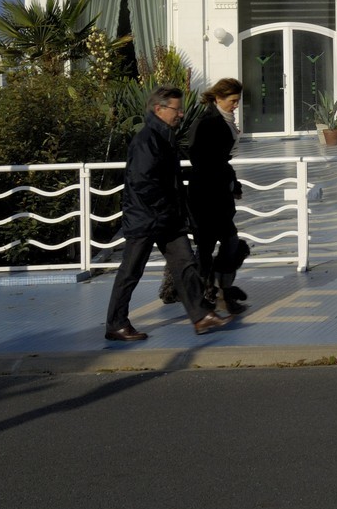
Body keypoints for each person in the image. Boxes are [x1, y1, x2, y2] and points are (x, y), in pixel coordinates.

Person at [104, 87, 231, 341]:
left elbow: (165, 179)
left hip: (166, 218)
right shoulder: (147, 139)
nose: (181, 114)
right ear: (159, 109)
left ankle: (201, 315)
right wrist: (166, 208)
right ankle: (116, 324)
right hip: (146, 217)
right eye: (177, 109)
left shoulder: (163, 136)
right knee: (131, 271)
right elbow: (143, 182)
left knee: (185, 264)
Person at [187, 78, 251, 315]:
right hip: (206, 196)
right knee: (207, 247)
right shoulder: (208, 123)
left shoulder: (222, 121)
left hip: (217, 193)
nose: (236, 105)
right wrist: (227, 181)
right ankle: (206, 296)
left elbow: (221, 161)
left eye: (237, 101)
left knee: (226, 243)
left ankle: (218, 291)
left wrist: (232, 182)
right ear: (218, 98)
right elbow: (203, 160)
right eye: (233, 101)